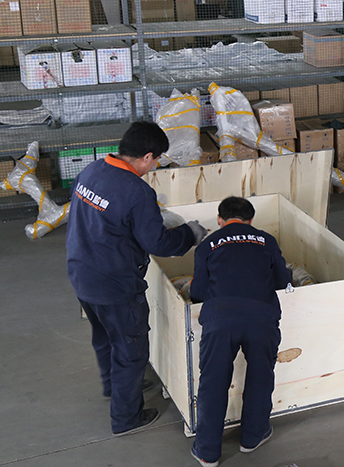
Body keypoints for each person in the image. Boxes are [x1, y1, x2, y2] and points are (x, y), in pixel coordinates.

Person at [67, 121, 207, 435]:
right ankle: (126, 418)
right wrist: (189, 233)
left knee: (105, 336)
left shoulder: (92, 171)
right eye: (155, 160)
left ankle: (113, 386)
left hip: (81, 272)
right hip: (115, 284)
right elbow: (159, 244)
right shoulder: (137, 191)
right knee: (131, 351)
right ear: (146, 157)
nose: (154, 166)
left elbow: (105, 217)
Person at [190, 196, 292, 467]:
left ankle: (207, 452)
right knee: (260, 375)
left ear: (219, 220)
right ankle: (252, 438)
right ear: (251, 220)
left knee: (213, 383)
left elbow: (197, 292)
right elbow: (283, 281)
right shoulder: (266, 240)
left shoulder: (207, 245)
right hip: (261, 318)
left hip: (220, 320)